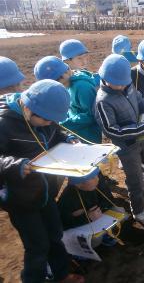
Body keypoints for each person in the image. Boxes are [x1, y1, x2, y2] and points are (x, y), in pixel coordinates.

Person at [0, 80, 84, 283]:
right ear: (28, 109)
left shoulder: (44, 115)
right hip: (21, 199)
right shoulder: (4, 123)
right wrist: (14, 164)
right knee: (37, 246)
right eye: (47, 120)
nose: (50, 123)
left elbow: (54, 130)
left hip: (45, 191)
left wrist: (66, 138)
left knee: (55, 235)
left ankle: (61, 274)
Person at [94, 54, 144, 226]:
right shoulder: (103, 101)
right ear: (104, 78)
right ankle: (139, 211)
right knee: (134, 180)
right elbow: (111, 130)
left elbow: (138, 100)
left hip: (142, 136)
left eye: (124, 82)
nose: (122, 86)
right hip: (126, 146)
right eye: (118, 83)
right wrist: (139, 129)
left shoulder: (128, 86)